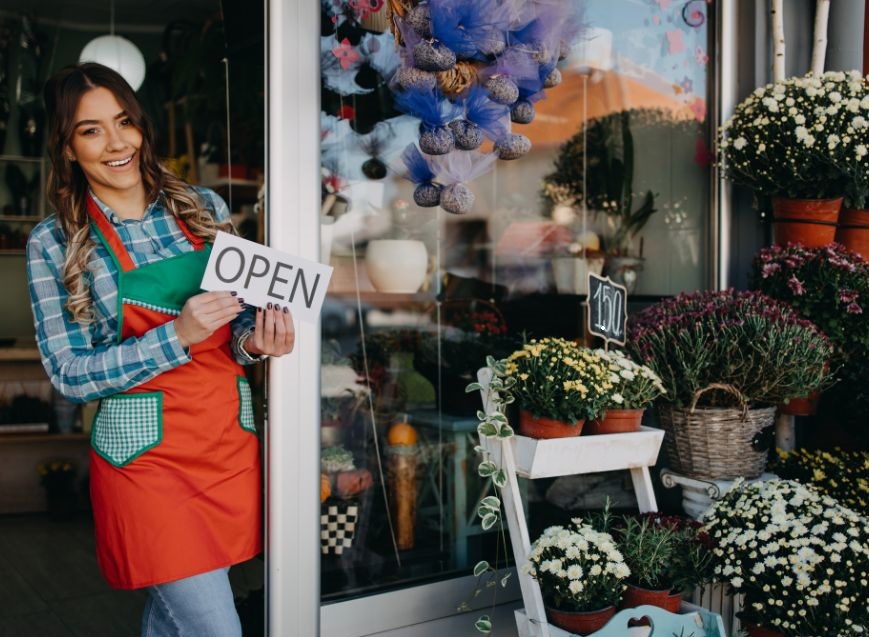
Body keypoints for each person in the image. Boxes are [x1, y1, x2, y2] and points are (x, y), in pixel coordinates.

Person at [26, 62, 293, 637]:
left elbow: (238, 329)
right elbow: (69, 374)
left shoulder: (203, 208)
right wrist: (175, 338)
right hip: (145, 464)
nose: (116, 143)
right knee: (216, 627)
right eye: (91, 130)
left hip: (225, 441)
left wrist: (257, 341)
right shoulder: (52, 242)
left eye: (125, 122)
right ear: (67, 148)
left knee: (177, 621)